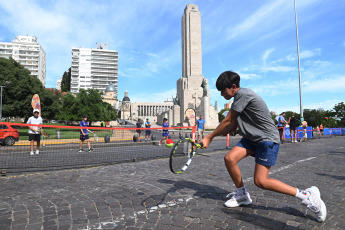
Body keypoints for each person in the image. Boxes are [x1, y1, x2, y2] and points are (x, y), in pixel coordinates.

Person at [200, 71, 326, 222]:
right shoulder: (237, 101)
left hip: (266, 139)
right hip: (252, 138)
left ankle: (307, 195)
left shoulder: (243, 95)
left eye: (222, 90)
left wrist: (209, 137)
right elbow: (232, 126)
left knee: (261, 181)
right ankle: (242, 195)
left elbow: (227, 120)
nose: (221, 94)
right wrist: (211, 138)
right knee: (230, 158)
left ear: (233, 87)